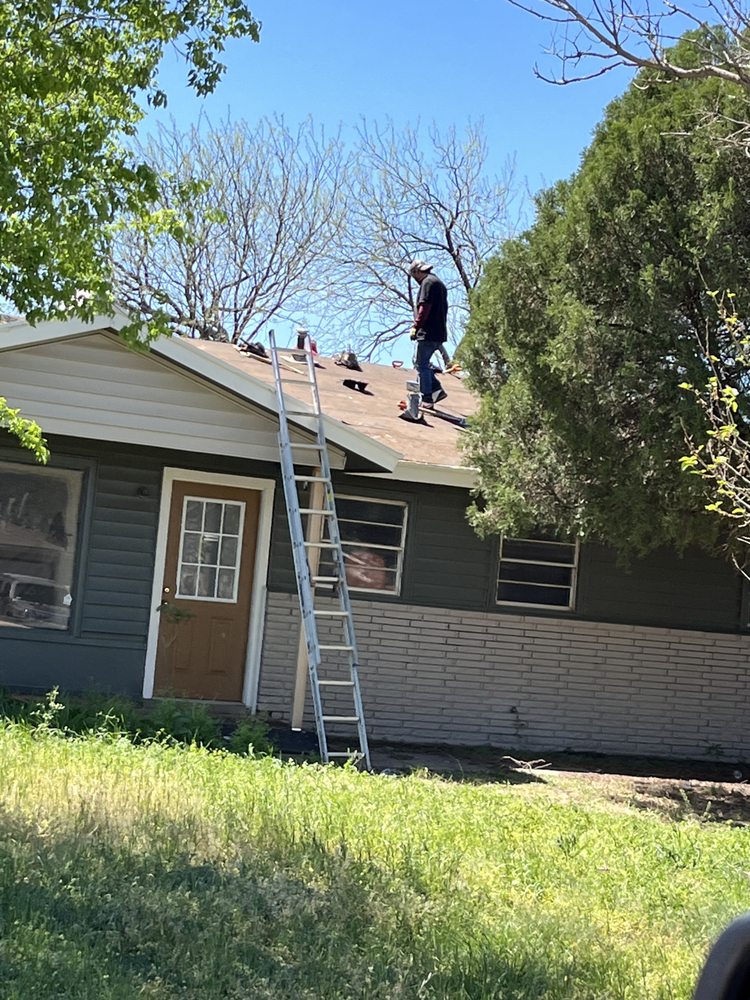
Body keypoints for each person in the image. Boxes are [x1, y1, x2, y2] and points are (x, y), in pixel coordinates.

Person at [408, 259, 449, 408]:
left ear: (417, 272)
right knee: (423, 363)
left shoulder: (427, 283)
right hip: (439, 332)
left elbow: (424, 308)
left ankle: (427, 398)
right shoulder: (438, 283)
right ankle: (436, 390)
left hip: (428, 332)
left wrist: (416, 327)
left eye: (414, 275)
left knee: (421, 365)